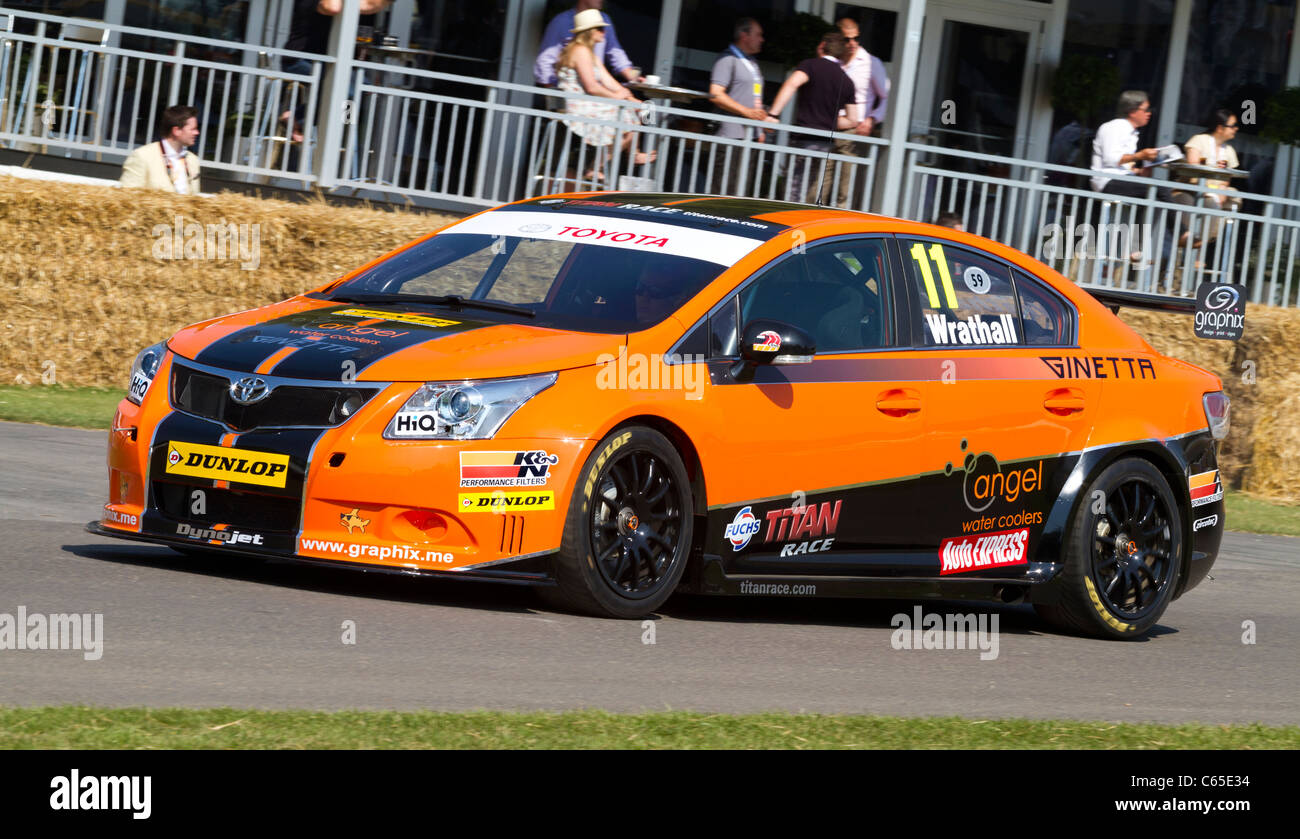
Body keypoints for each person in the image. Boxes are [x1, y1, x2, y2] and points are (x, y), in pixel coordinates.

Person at [556, 10, 655, 183]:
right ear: (589, 31)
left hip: (588, 102)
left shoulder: (589, 53)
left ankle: (632, 154)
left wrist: (632, 100)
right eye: (600, 29)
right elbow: (592, 87)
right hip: (578, 106)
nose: (604, 32)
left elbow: (609, 81)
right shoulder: (580, 51)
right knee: (629, 118)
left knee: (637, 112)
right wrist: (618, 97)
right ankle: (599, 167)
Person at [767, 31, 858, 204]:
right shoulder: (846, 80)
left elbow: (792, 83)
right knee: (809, 187)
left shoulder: (810, 65)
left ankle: (787, 222)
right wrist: (829, 120)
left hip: (804, 138)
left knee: (793, 188)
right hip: (825, 143)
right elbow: (853, 120)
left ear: (822, 46)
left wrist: (773, 114)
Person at [827, 16, 889, 207]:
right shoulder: (831, 62)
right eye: (847, 39)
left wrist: (872, 119)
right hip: (827, 127)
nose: (852, 43)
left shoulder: (871, 62)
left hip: (854, 132)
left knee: (847, 191)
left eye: (856, 38)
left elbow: (886, 96)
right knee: (819, 186)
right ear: (838, 39)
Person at [707, 18, 769, 196]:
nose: (762, 39)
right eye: (758, 35)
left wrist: (760, 127)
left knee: (740, 193)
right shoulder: (727, 59)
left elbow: (754, 95)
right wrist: (746, 112)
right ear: (744, 35)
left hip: (750, 137)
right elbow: (716, 93)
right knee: (724, 191)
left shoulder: (752, 63)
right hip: (730, 136)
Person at [535, 0, 642, 88]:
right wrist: (553, 96)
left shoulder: (604, 19)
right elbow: (545, 61)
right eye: (599, 29)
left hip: (595, 93)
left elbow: (616, 53)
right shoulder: (561, 22)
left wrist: (634, 78)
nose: (602, 32)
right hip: (571, 96)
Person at [1089, 90, 1162, 196]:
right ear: (1132, 111)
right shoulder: (1114, 127)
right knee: (1159, 188)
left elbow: (1123, 166)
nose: (1149, 113)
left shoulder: (1131, 132)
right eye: (1146, 110)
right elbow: (1111, 160)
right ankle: (1175, 213)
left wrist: (1143, 169)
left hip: (1121, 179)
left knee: (1155, 189)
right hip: (1107, 181)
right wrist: (1140, 155)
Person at [120, 105, 201, 193]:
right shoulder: (142, 156)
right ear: (176, 131)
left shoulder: (193, 160)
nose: (197, 133)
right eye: (193, 129)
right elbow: (127, 197)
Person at [1183, 109, 1242, 210]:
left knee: (1235, 198)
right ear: (1220, 128)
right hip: (1194, 187)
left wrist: (1222, 188)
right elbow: (1193, 170)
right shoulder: (1199, 140)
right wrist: (1213, 191)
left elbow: (1227, 177)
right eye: (1232, 126)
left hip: (1217, 189)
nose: (1236, 128)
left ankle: (1225, 225)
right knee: (1211, 201)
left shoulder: (1229, 150)